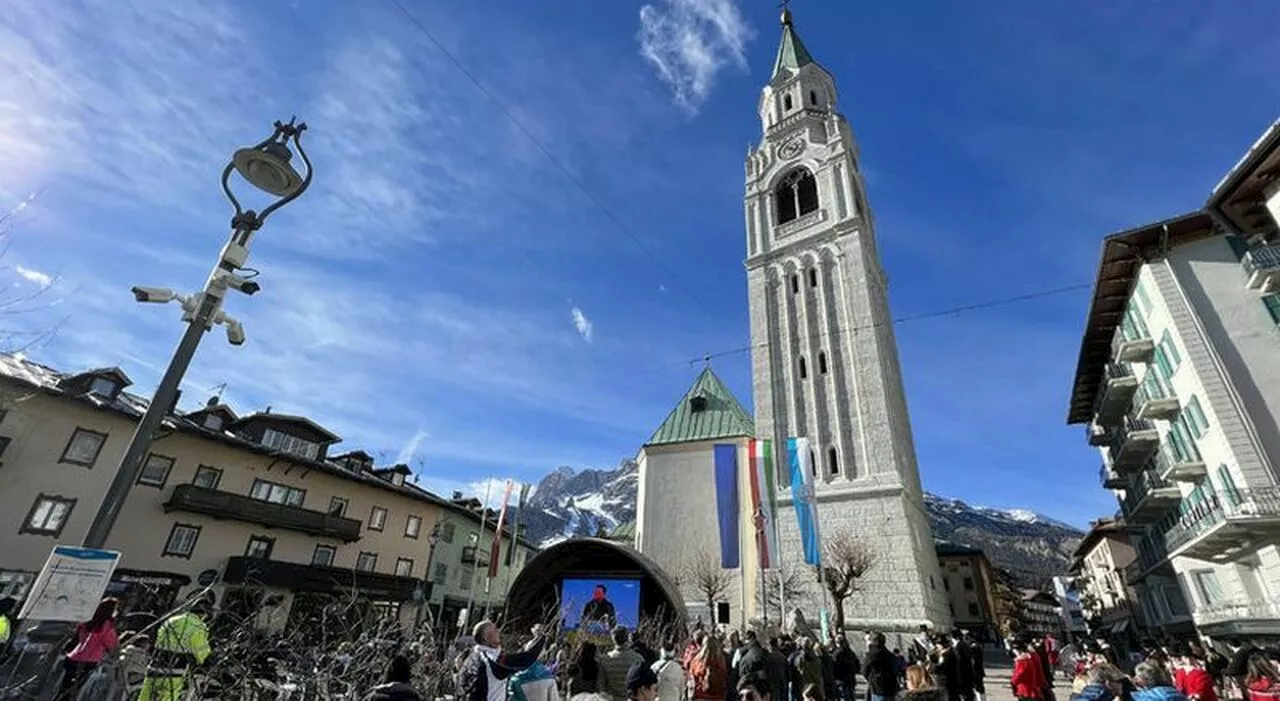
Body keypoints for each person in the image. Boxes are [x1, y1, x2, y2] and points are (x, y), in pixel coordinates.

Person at [139, 593, 213, 701]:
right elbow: (201, 650)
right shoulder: (198, 626)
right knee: (167, 697)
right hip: (175, 670)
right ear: (204, 614)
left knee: (145, 696)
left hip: (155, 665)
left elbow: (158, 639)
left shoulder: (172, 620)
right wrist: (208, 661)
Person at [460, 620, 548, 701]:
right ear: (486, 639)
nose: (498, 631)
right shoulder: (492, 659)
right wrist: (542, 638)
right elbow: (524, 660)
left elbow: (462, 682)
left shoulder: (473, 656)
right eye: (494, 630)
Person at [57, 597, 120, 700]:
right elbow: (111, 645)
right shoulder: (107, 626)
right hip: (88, 662)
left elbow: (79, 638)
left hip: (73, 657)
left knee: (64, 689)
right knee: (74, 692)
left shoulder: (88, 621)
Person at [600, 628, 648, 701]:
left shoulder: (605, 660)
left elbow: (601, 687)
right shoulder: (638, 659)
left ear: (613, 639)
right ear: (628, 638)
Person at [690, 633, 729, 701]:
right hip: (718, 697)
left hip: (700, 696)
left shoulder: (696, 660)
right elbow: (725, 676)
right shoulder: (722, 660)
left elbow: (692, 679)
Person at [863, 632, 901, 701]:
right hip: (890, 687)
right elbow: (896, 670)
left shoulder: (870, 655)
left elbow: (865, 670)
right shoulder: (889, 655)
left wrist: (871, 678)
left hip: (876, 686)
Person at [832, 637, 859, 701]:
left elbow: (834, 667)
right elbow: (857, 665)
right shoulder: (850, 652)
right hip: (850, 679)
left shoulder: (836, 654)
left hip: (841, 680)